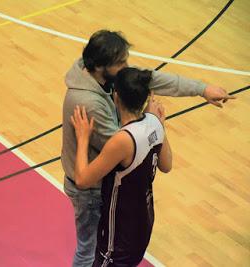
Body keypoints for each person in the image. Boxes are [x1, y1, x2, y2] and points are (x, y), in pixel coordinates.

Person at [61, 29, 235, 267]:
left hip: (108, 187)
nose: (127, 66)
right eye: (121, 62)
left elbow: (155, 79)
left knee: (103, 250)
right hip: (90, 189)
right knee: (89, 251)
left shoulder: (113, 77)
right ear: (102, 66)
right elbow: (124, 151)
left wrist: (201, 89)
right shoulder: (89, 103)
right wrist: (153, 125)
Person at [71, 67, 171, 266]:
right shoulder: (155, 123)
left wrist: (83, 138)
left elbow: (82, 179)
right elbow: (167, 165)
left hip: (118, 237)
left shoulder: (123, 140)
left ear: (116, 97)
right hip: (143, 225)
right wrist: (158, 123)